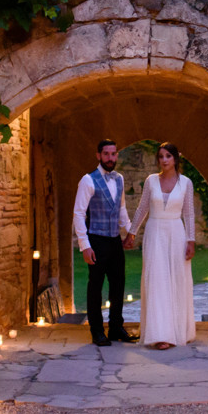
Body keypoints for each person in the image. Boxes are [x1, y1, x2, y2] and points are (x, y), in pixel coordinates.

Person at [124, 142, 196, 350]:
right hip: (154, 233)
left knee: (177, 281)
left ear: (175, 158)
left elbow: (189, 214)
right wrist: (131, 232)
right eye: (161, 156)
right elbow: (142, 208)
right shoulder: (151, 181)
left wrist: (191, 240)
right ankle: (160, 334)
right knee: (157, 281)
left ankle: (177, 331)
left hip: (176, 233)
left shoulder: (186, 183)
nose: (164, 160)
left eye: (168, 156)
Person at [72, 138, 137, 346]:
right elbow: (78, 214)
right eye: (106, 154)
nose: (110, 158)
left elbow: (122, 208)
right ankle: (97, 331)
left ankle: (116, 327)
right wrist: (85, 245)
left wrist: (130, 232)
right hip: (96, 239)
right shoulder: (88, 180)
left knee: (118, 285)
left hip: (114, 240)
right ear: (98, 155)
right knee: (95, 286)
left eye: (113, 154)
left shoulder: (119, 179)